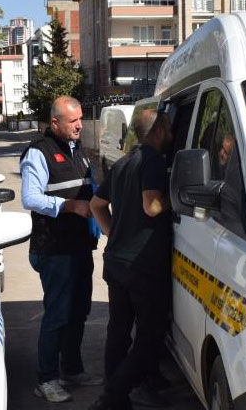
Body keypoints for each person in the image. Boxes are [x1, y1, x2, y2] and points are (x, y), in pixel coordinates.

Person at [88, 109, 174, 410]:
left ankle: (117, 395)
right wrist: (173, 196)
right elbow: (151, 206)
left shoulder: (124, 162)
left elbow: (96, 205)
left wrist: (114, 232)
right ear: (159, 130)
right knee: (149, 337)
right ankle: (112, 397)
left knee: (119, 331)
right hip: (142, 266)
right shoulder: (152, 160)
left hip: (117, 262)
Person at [20, 96, 103, 403]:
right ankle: (46, 378)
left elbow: (90, 190)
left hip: (79, 246)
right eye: (73, 120)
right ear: (55, 123)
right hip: (54, 249)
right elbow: (29, 198)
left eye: (81, 118)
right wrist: (68, 205)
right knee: (58, 314)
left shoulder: (78, 151)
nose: (80, 125)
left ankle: (72, 369)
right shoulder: (38, 153)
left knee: (79, 311)